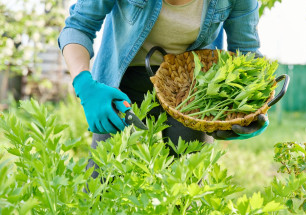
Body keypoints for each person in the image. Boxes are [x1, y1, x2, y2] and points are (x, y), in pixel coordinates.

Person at [58, 0, 269, 179]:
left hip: (194, 92)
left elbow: (247, 53)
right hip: (123, 82)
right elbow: (79, 25)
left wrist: (254, 108)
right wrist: (85, 85)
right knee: (102, 182)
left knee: (186, 188)